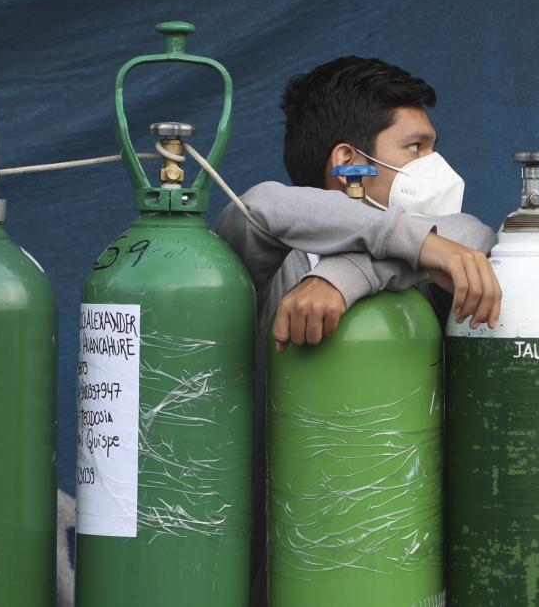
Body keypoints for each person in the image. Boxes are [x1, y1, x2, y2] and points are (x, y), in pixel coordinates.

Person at [214, 56, 501, 606]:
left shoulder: (432, 256)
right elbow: (260, 206)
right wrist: (413, 245)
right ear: (349, 162)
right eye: (416, 148)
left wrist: (349, 276)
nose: (435, 165)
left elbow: (472, 232)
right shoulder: (270, 264)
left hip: (401, 571)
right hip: (282, 580)